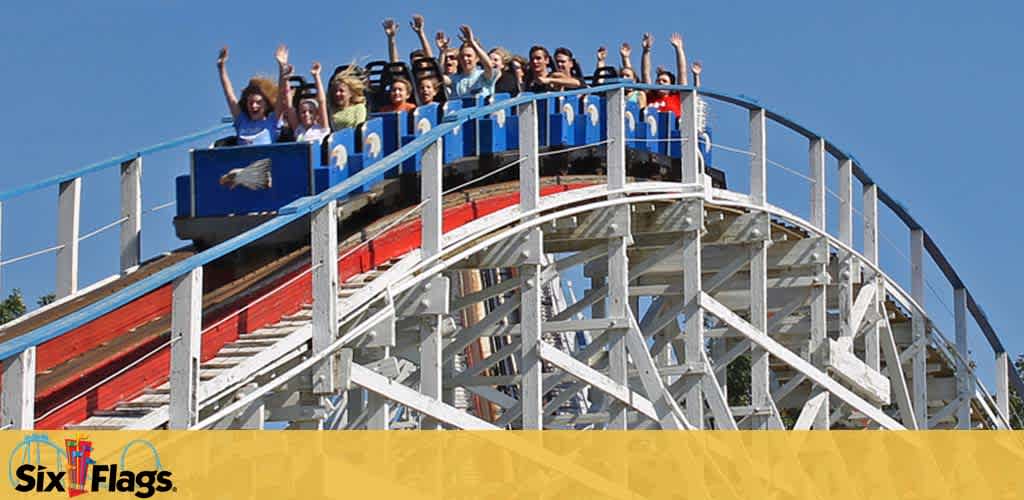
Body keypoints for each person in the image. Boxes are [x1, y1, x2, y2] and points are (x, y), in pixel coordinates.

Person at [217, 46, 283, 145]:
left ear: (266, 105)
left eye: (258, 102)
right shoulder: (242, 121)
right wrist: (221, 68)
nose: (254, 106)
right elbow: (229, 95)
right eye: (250, 102)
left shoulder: (272, 121)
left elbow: (282, 95)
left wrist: (282, 67)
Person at [279, 54, 330, 144]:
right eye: (303, 112)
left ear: (317, 114)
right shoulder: (299, 130)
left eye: (311, 112)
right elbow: (289, 105)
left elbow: (322, 102)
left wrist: (316, 76)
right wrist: (286, 79)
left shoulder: (322, 128)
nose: (306, 114)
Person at [444, 25, 497, 99]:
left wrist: (472, 42)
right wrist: (442, 53)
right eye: (462, 56)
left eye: (469, 56)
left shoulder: (483, 75)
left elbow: (489, 66)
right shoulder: (454, 79)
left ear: (477, 58)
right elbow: (438, 78)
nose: (465, 59)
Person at [641, 32, 687, 116]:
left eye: (664, 81)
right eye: (658, 81)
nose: (661, 82)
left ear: (671, 85)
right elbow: (645, 73)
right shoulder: (650, 97)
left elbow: (682, 72)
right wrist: (646, 51)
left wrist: (679, 49)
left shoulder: (676, 97)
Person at [618, 42, 646, 107]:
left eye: (627, 76)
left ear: (634, 80)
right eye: (622, 76)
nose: (624, 78)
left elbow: (642, 111)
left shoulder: (638, 94)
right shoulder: (617, 96)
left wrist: (625, 58)